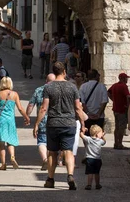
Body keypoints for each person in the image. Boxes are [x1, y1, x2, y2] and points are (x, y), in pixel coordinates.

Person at [34, 61, 86, 190]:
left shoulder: (48, 87)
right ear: (64, 72)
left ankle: (50, 179)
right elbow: (78, 108)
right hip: (69, 123)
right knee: (68, 151)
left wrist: (36, 124)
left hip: (53, 123)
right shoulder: (72, 87)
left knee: (52, 152)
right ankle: (70, 175)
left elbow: (43, 108)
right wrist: (83, 124)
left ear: (54, 71)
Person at [0, 76, 30, 170]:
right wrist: (26, 117)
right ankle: (12, 157)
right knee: (10, 141)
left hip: (1, 120)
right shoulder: (15, 94)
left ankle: (3, 164)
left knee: (2, 143)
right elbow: (20, 108)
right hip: (10, 121)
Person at [26, 73, 56, 169]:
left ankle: (45, 160)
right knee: (51, 142)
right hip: (55, 121)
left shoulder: (39, 90)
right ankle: (49, 160)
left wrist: (27, 116)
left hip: (42, 120)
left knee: (42, 141)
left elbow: (31, 105)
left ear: (46, 81)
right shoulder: (57, 90)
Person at [107, 72, 130, 150]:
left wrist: (113, 100)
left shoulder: (114, 85)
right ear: (123, 79)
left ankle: (116, 143)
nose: (127, 79)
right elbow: (128, 96)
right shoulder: (124, 86)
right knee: (122, 127)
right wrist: (128, 105)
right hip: (122, 109)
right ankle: (120, 144)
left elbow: (108, 92)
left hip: (115, 109)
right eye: (126, 78)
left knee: (117, 127)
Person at [80, 124, 106, 190]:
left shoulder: (88, 139)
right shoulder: (100, 141)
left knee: (90, 173)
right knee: (97, 173)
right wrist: (103, 136)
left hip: (89, 159)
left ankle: (89, 185)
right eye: (101, 133)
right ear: (97, 134)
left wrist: (83, 131)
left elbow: (81, 135)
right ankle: (97, 184)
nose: (102, 134)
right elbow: (104, 142)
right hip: (97, 159)